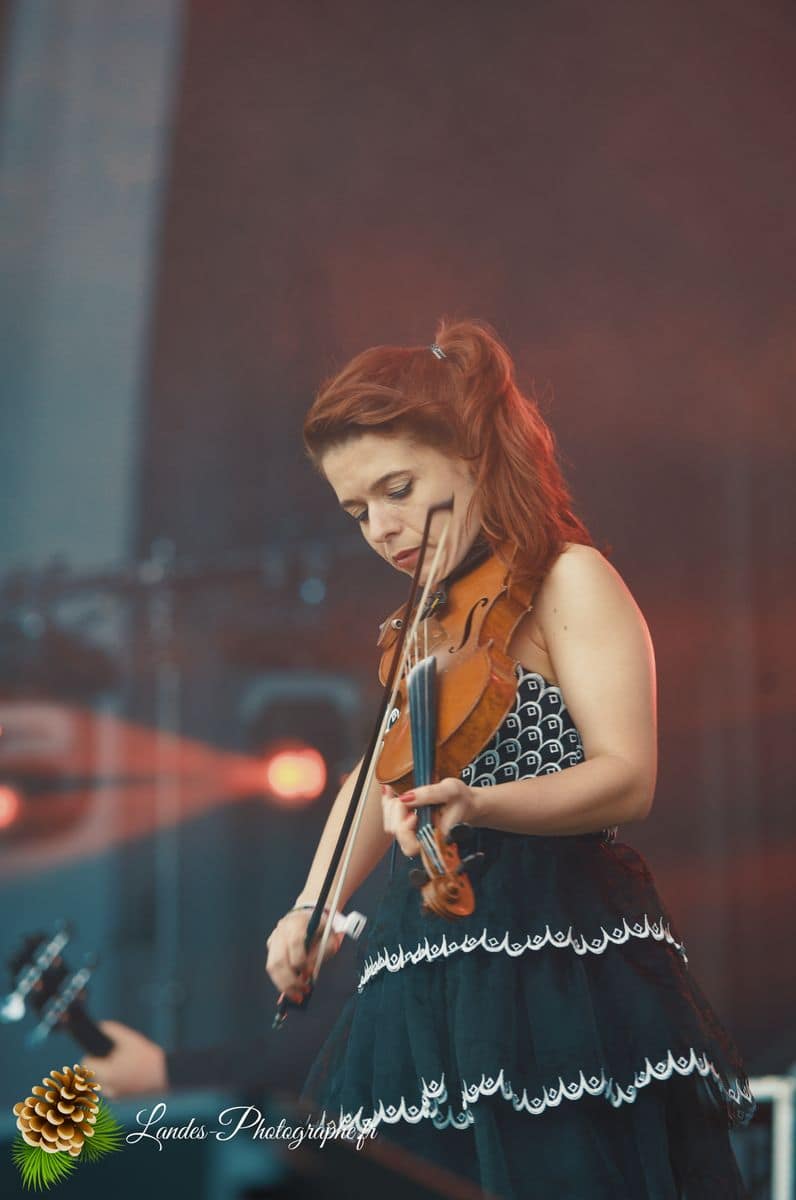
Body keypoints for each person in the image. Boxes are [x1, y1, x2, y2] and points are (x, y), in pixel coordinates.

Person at [264, 318, 754, 1199]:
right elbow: (371, 780)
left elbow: (626, 778)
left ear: (475, 455)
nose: (381, 527)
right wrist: (314, 907)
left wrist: (482, 804)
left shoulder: (570, 579)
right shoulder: (420, 625)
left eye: (399, 488)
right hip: (431, 970)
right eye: (357, 510)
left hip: (558, 950)